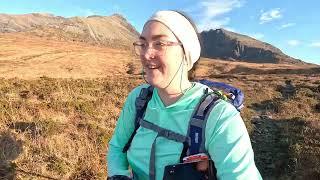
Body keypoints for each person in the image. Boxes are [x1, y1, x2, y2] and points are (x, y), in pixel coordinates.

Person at [107, 10, 262, 180]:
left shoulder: (220, 117)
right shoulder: (138, 99)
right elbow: (117, 147)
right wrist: (118, 175)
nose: (146, 54)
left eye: (159, 44)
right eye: (143, 44)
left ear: (186, 53)